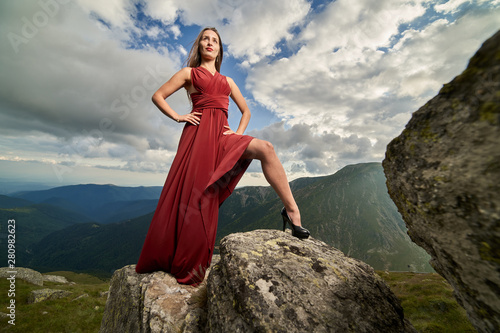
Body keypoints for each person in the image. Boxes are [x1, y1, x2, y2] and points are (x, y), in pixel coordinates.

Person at [135, 27, 309, 286]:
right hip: (196, 140)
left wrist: (236, 134)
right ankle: (182, 260)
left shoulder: (228, 82)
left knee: (267, 149)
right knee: (196, 199)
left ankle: (292, 212)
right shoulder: (188, 74)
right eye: (205, 39)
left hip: (222, 137)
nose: (209, 42)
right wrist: (179, 116)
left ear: (219, 50)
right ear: (199, 46)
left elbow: (246, 111)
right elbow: (157, 96)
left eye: (214, 40)